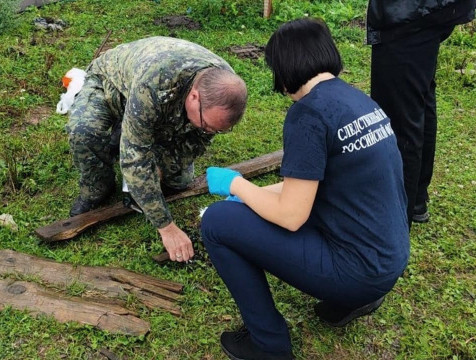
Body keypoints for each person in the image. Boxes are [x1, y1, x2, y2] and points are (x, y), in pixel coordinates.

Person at [200, 18, 410, 360]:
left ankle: (268, 344)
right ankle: (355, 299)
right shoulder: (357, 101)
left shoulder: (308, 115)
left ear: (282, 70)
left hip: (358, 270)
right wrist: (254, 195)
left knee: (218, 223)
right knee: (241, 209)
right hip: (388, 258)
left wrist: (235, 183)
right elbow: (309, 184)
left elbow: (292, 215)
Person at [66, 36, 247, 262]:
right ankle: (97, 186)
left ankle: (126, 134)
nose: (210, 132)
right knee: (84, 132)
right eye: (207, 125)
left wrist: (160, 168)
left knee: (178, 181)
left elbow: (196, 142)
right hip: (111, 85)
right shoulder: (154, 83)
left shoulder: (225, 87)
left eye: (218, 130)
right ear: (194, 97)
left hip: (160, 107)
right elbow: (135, 159)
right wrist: (167, 227)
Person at [368, 0, 476, 226]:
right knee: (417, 92)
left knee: (398, 109)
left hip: (410, 10)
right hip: (431, 9)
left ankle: (396, 217)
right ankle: (414, 198)